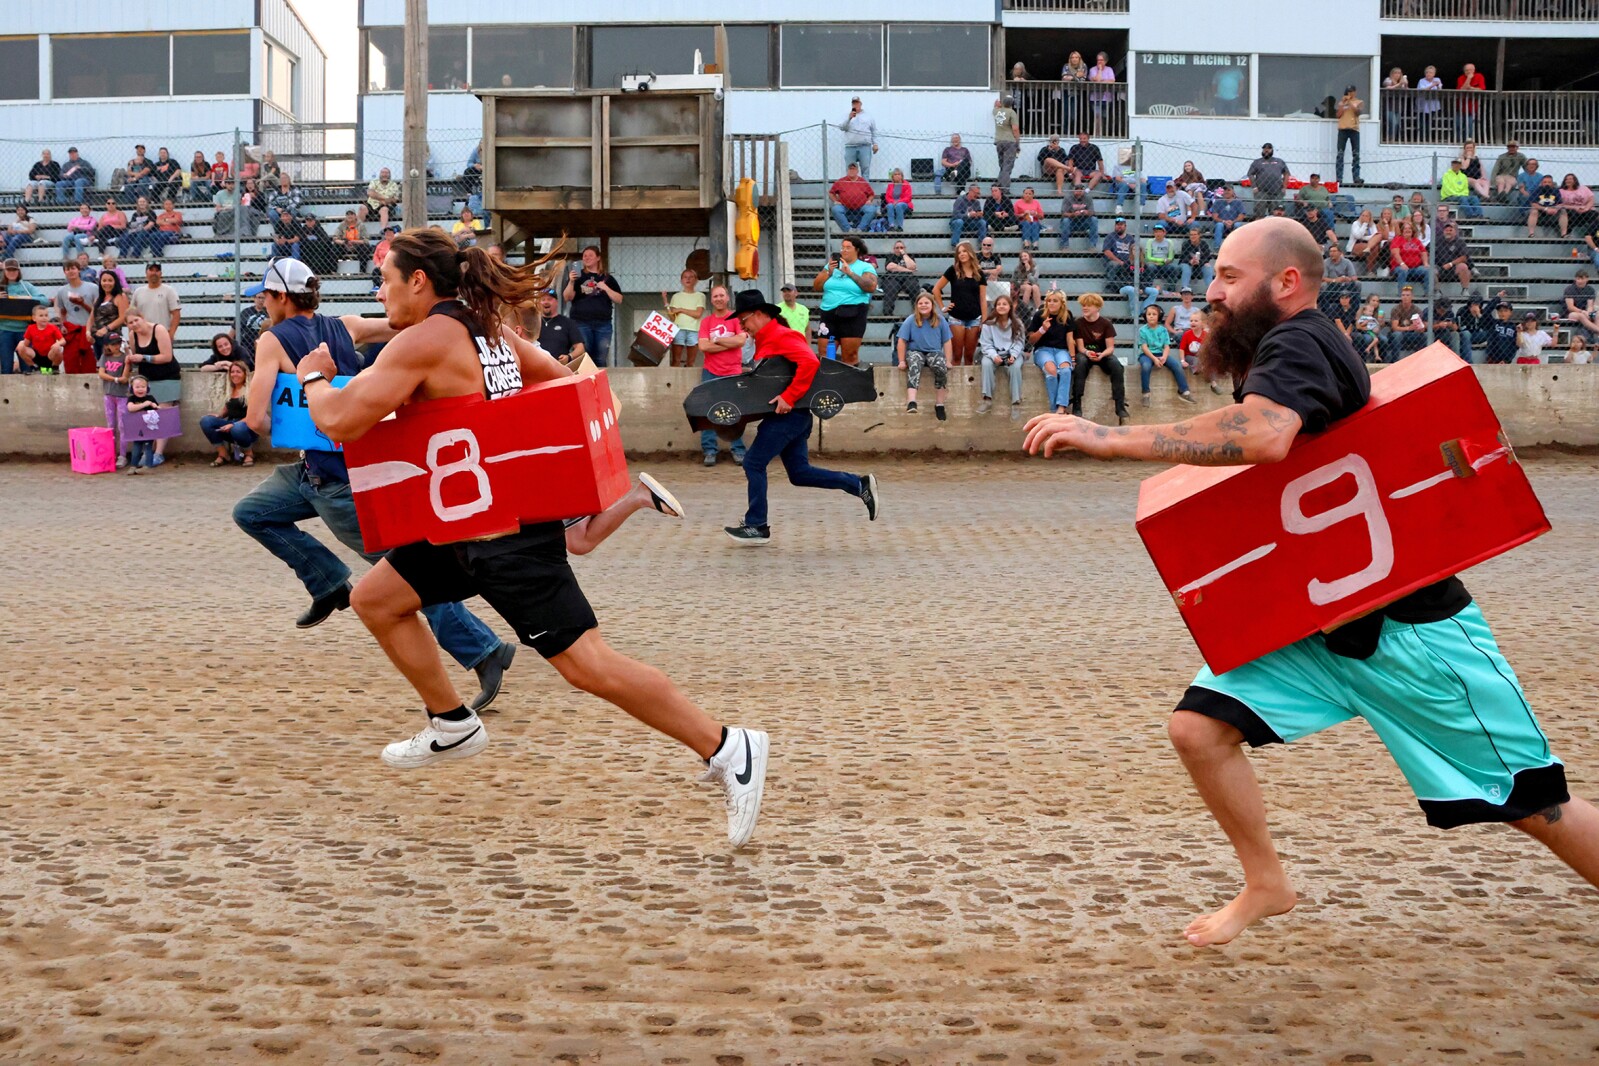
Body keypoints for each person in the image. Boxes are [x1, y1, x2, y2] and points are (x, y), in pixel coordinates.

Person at [1022, 216, 1599, 947]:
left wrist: (1109, 436)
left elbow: (1265, 433)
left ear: (1286, 282)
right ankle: (1266, 882)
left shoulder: (1299, 340)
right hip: (1321, 625)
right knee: (1198, 729)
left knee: (1538, 807)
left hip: (1413, 637)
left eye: (1229, 277)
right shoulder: (1282, 346)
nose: (1212, 290)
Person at [290, 235, 769, 843]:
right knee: (376, 599)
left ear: (418, 281)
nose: (380, 292)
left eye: (385, 279)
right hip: (464, 526)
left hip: (504, 542)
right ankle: (451, 722)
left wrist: (314, 377)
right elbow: (568, 383)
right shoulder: (487, 331)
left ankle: (728, 747)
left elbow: (337, 419)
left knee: (588, 666)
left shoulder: (428, 340)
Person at [234, 257, 518, 713]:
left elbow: (255, 419)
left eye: (265, 296)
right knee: (251, 512)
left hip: (334, 482)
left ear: (281, 297)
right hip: (332, 469)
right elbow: (404, 325)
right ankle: (328, 583)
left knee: (404, 577)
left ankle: (484, 650)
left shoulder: (271, 339)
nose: (262, 305)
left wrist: (262, 426)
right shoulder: (345, 325)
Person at [722, 288, 879, 547]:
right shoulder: (766, 339)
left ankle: (757, 525)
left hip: (789, 416)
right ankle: (859, 485)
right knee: (799, 473)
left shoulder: (781, 336)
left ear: (759, 314)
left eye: (743, 320)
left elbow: (810, 362)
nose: (742, 326)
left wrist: (789, 396)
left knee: (753, 463)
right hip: (792, 416)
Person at [696, 284, 749, 467]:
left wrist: (717, 340)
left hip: (733, 371)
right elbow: (703, 346)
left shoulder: (736, 319)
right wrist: (729, 343)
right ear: (711, 300)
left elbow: (741, 340)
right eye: (715, 296)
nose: (718, 299)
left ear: (727, 298)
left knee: (734, 410)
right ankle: (709, 450)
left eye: (721, 295)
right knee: (709, 411)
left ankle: (738, 449)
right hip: (710, 371)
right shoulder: (706, 322)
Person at [812, 235, 877, 366]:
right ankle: (828, 377)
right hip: (829, 312)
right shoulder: (831, 266)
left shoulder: (865, 267)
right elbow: (817, 287)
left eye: (848, 247)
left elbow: (870, 287)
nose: (844, 250)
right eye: (842, 247)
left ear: (857, 250)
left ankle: (850, 378)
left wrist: (850, 273)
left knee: (849, 354)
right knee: (824, 353)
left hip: (853, 312)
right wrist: (829, 272)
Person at [1069, 291, 1127, 424]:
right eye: (1083, 305)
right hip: (1086, 354)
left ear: (1097, 308)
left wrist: (1102, 355)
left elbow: (1110, 348)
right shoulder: (1078, 323)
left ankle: (1120, 404)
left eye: (1088, 305)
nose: (1085, 308)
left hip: (1103, 354)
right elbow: (1080, 347)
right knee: (1080, 362)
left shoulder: (1106, 323)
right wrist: (1087, 352)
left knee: (1117, 366)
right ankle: (1077, 402)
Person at [562, 246, 622, 366]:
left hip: (603, 323)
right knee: (584, 355)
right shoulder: (578, 277)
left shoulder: (607, 278)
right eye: (584, 256)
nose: (587, 258)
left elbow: (619, 299)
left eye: (590, 255)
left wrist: (606, 288)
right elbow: (567, 297)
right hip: (581, 322)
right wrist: (571, 281)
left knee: (600, 358)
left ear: (598, 258)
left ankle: (599, 377)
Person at [896, 291, 952, 418]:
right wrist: (901, 361)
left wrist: (948, 360)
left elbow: (947, 341)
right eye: (920, 303)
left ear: (932, 305)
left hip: (934, 351)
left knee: (940, 367)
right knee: (914, 364)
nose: (923, 305)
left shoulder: (940, 320)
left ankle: (940, 404)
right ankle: (911, 402)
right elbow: (902, 341)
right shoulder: (910, 320)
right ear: (916, 305)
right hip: (915, 351)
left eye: (926, 303)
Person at [933, 241, 985, 367]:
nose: (962, 254)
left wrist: (984, 320)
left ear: (970, 253)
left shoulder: (979, 273)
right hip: (956, 318)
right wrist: (943, 307)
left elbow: (983, 298)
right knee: (956, 356)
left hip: (974, 318)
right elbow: (936, 289)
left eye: (964, 251)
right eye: (959, 252)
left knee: (969, 356)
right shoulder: (953, 270)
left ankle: (969, 380)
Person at [977, 294, 1026, 417]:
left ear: (1010, 307)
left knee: (1015, 367)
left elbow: (1019, 342)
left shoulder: (1018, 323)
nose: (1001, 306)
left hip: (1012, 353)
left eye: (1004, 304)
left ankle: (1015, 403)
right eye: (999, 304)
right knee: (986, 364)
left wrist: (1013, 355)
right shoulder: (988, 324)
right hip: (994, 353)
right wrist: (994, 356)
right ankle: (987, 399)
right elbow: (986, 344)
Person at [200, 361, 258, 466]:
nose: (235, 374)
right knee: (206, 421)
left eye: (238, 372)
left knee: (237, 428)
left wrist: (233, 425)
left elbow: (254, 415)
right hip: (231, 424)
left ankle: (249, 453)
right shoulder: (230, 389)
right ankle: (223, 454)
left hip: (247, 427)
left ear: (245, 374)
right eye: (232, 372)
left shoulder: (251, 390)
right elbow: (228, 407)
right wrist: (219, 416)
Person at [1028, 288, 1075, 414]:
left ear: (1061, 303)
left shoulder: (1067, 315)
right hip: (1043, 350)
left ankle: (1062, 406)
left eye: (1055, 301)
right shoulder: (1040, 315)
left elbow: (1070, 339)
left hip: (1061, 350)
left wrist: (1072, 357)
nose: (1051, 303)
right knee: (1052, 370)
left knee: (1066, 370)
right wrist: (1042, 329)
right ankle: (1054, 409)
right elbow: (1031, 340)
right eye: (1049, 301)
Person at [1136, 303, 1194, 405]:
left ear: (1159, 316)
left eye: (1154, 314)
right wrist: (1154, 359)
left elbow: (1166, 346)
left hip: (1161, 354)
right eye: (1149, 314)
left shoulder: (1163, 330)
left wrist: (1164, 357)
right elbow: (1144, 347)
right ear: (1145, 316)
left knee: (1176, 365)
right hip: (1147, 355)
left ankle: (1184, 391)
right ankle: (1146, 394)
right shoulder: (1142, 330)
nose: (1151, 316)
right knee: (1146, 366)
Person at [1103, 217, 1157, 324]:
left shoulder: (1143, 265)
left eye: (1121, 224)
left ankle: (1144, 311)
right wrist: (1136, 287)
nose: (1119, 226)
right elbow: (1123, 279)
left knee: (1154, 291)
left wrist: (1141, 288)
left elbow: (1146, 279)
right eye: (1117, 224)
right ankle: (1135, 314)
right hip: (1126, 286)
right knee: (1131, 289)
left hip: (1139, 286)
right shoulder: (1126, 264)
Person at [52, 259, 97, 374]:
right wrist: (62, 325)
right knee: (71, 360)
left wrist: (82, 303)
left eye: (73, 268)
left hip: (89, 329)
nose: (71, 271)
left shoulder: (92, 288)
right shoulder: (62, 291)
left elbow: (96, 312)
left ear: (79, 270)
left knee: (89, 361)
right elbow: (63, 311)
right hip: (72, 330)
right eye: (68, 269)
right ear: (64, 272)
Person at [96, 331, 133, 466]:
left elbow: (125, 377)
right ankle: (111, 453)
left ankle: (122, 455)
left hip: (122, 395)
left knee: (122, 426)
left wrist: (127, 351)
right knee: (110, 425)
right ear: (107, 346)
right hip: (109, 394)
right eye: (113, 344)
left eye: (118, 343)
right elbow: (101, 373)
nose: (116, 346)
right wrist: (115, 379)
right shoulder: (105, 357)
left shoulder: (125, 357)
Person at [663, 268, 705, 369]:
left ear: (696, 280)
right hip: (678, 329)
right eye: (685, 277)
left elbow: (698, 314)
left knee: (691, 362)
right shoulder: (676, 296)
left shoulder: (700, 296)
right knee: (676, 361)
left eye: (691, 277)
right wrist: (666, 302)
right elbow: (672, 317)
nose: (688, 279)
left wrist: (681, 309)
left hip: (694, 330)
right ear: (681, 280)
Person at [529, 289, 584, 365]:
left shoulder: (568, 323)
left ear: (556, 302)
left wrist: (569, 357)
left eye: (549, 299)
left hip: (559, 366)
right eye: (543, 299)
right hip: (536, 365)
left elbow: (580, 348)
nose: (546, 302)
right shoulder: (533, 322)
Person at [123, 376, 160, 473]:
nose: (140, 389)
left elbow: (157, 409)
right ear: (132, 388)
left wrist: (155, 406)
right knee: (136, 446)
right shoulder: (132, 398)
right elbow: (130, 408)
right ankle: (133, 466)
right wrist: (144, 404)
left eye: (143, 387)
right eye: (137, 387)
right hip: (137, 428)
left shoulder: (150, 398)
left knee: (148, 446)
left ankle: (148, 466)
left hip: (149, 427)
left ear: (147, 388)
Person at [90, 269, 129, 361]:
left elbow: (123, 317)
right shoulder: (98, 299)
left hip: (113, 339)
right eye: (104, 280)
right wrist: (88, 331)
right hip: (96, 338)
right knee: (100, 364)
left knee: (114, 364)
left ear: (115, 282)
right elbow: (91, 318)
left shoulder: (120, 296)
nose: (107, 283)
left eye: (110, 280)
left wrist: (106, 328)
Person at [1246, 143, 1291, 219]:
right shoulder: (1257, 162)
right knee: (1259, 213)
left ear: (1272, 150)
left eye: (1269, 148)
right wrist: (1254, 187)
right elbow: (1250, 174)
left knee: (1275, 215)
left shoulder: (1279, 161)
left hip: (1276, 192)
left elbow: (1286, 173)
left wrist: (1284, 187)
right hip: (1261, 191)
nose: (1266, 150)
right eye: (1265, 148)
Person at [828, 162, 876, 233]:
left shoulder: (862, 181)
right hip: (844, 206)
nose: (852, 171)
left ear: (857, 171)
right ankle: (848, 230)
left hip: (861, 206)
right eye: (850, 169)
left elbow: (871, 194)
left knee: (872, 209)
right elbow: (831, 193)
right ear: (847, 170)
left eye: (854, 169)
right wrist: (835, 201)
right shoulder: (841, 181)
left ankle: (860, 229)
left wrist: (869, 200)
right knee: (835, 209)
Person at [16, 304, 64, 373]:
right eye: (41, 316)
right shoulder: (31, 328)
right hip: (37, 355)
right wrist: (21, 346)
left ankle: (55, 367)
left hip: (50, 355)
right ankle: (33, 366)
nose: (44, 318)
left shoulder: (53, 328)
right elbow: (26, 344)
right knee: (21, 345)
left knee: (57, 347)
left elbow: (63, 341)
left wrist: (58, 343)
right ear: (34, 318)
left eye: (46, 315)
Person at [878, 241, 919, 316]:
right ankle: (888, 313)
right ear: (893, 249)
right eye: (897, 248)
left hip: (908, 277)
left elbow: (912, 266)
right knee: (890, 288)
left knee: (914, 286)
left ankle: (918, 312)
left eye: (901, 247)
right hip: (892, 277)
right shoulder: (890, 256)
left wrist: (904, 254)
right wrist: (908, 270)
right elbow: (890, 267)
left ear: (905, 249)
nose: (899, 249)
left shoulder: (909, 256)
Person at [840, 96, 878, 179]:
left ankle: (865, 187)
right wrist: (849, 118)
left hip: (865, 146)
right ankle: (850, 187)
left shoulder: (868, 116)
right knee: (850, 170)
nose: (855, 105)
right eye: (853, 103)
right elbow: (842, 128)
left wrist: (875, 144)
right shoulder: (846, 115)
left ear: (860, 104)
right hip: (850, 147)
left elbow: (873, 130)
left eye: (857, 103)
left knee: (865, 170)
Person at [1433, 221, 1473, 293]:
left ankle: (1465, 290)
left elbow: (1464, 257)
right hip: (1439, 267)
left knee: (1463, 266)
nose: (1448, 232)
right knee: (1430, 270)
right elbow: (1426, 251)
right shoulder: (1437, 241)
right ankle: (1437, 291)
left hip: (1454, 267)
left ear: (1455, 232)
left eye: (1450, 230)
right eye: (1446, 230)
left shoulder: (1460, 242)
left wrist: (1450, 264)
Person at [1335, 85, 1363, 186]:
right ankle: (1339, 178)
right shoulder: (1342, 103)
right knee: (1340, 154)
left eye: (1351, 91)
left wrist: (1350, 102)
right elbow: (1338, 115)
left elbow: (1358, 112)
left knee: (1356, 154)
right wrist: (1343, 104)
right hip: (1343, 129)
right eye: (1348, 92)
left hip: (1354, 130)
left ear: (1355, 92)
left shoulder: (1359, 102)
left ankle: (1356, 177)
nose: (1350, 94)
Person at [1389, 220, 1429, 291]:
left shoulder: (1416, 241)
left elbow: (1423, 252)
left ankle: (1428, 294)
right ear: (1402, 231)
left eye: (1410, 228)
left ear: (1412, 230)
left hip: (1415, 268)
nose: (1408, 230)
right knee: (1403, 271)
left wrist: (1425, 263)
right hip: (1399, 267)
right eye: (1405, 228)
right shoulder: (1397, 239)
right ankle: (1402, 293)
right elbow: (1395, 253)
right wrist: (1402, 263)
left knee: (1427, 270)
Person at [993, 94, 1020, 193]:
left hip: (999, 141)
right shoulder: (1012, 112)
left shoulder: (996, 111)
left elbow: (995, 107)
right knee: (1007, 166)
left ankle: (999, 185)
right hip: (1010, 141)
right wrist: (1018, 142)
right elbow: (1015, 129)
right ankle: (1004, 189)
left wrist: (997, 105)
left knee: (1002, 165)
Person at [1558, 174, 1595, 238]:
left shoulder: (1584, 188)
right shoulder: (1560, 191)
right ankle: (1567, 235)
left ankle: (1591, 235)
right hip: (1570, 210)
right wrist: (1575, 208)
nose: (1568, 180)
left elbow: (1591, 199)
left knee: (1594, 215)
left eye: (1570, 179)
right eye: (1566, 179)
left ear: (1575, 180)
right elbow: (1560, 204)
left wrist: (1586, 208)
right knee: (1569, 214)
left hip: (1585, 209)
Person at [1178, 228, 1215, 292]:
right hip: (1187, 263)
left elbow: (1207, 257)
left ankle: (1210, 289)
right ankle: (1184, 288)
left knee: (1208, 267)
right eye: (1191, 235)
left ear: (1199, 235)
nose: (1193, 236)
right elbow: (1183, 257)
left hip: (1200, 264)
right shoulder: (1185, 244)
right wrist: (1190, 261)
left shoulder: (1204, 244)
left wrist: (1199, 262)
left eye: (1195, 234)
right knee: (1186, 267)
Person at [1210, 184, 1245, 250]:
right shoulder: (1218, 202)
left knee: (1238, 224)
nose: (1226, 192)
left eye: (1228, 190)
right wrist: (1224, 221)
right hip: (1222, 224)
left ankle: (1238, 247)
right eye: (1225, 190)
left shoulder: (1238, 202)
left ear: (1233, 192)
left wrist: (1232, 222)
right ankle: (1217, 248)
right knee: (1219, 225)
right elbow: (1214, 217)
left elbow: (1241, 216)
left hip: (1233, 224)